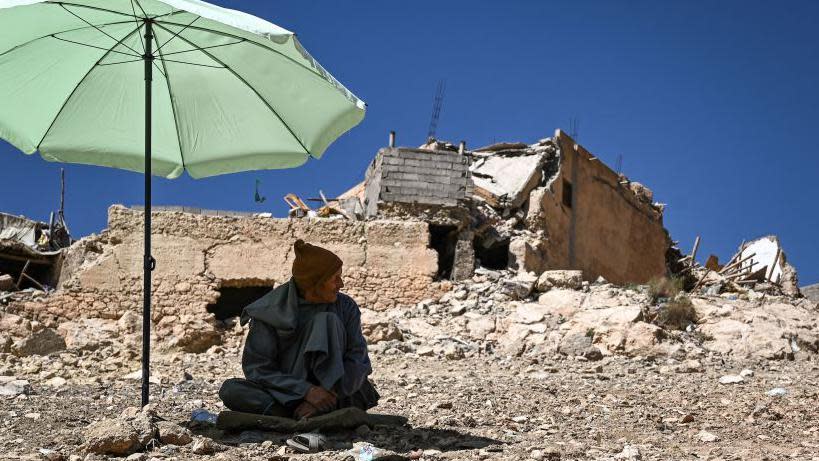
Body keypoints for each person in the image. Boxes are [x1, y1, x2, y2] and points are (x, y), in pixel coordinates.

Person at [219, 239, 378, 419]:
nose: (341, 285)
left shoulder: (345, 307)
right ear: (315, 283)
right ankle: (298, 413)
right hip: (288, 394)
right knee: (231, 390)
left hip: (337, 392)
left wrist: (329, 393)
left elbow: (358, 359)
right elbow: (258, 369)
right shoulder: (269, 311)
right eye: (335, 278)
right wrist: (306, 391)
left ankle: (300, 414)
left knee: (327, 321)